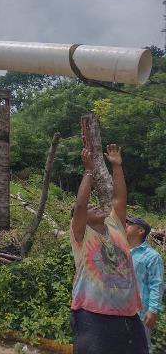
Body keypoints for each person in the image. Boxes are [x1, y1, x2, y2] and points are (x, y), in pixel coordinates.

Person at [70, 144, 147, 354]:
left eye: (96, 205)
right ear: (82, 220)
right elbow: (80, 206)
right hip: (93, 315)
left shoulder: (115, 227)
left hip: (128, 314)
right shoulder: (82, 236)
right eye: (91, 208)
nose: (95, 206)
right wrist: (88, 171)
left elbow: (120, 198)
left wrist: (117, 166)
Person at [127, 216, 164, 347]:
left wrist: (153, 310)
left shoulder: (152, 256)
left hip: (140, 313)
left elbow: (157, 284)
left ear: (140, 230)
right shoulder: (122, 250)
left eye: (130, 223)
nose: (125, 224)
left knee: (139, 346)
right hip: (119, 309)